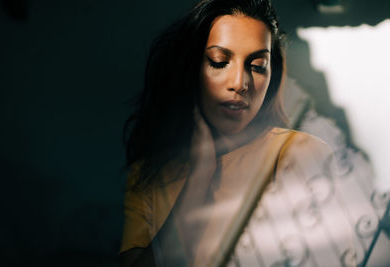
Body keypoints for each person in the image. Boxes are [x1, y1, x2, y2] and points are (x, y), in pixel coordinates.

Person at [120, 0, 349, 266]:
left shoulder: (303, 153)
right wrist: (198, 180)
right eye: (219, 62)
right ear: (190, 69)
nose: (240, 83)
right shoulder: (149, 175)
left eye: (257, 65)